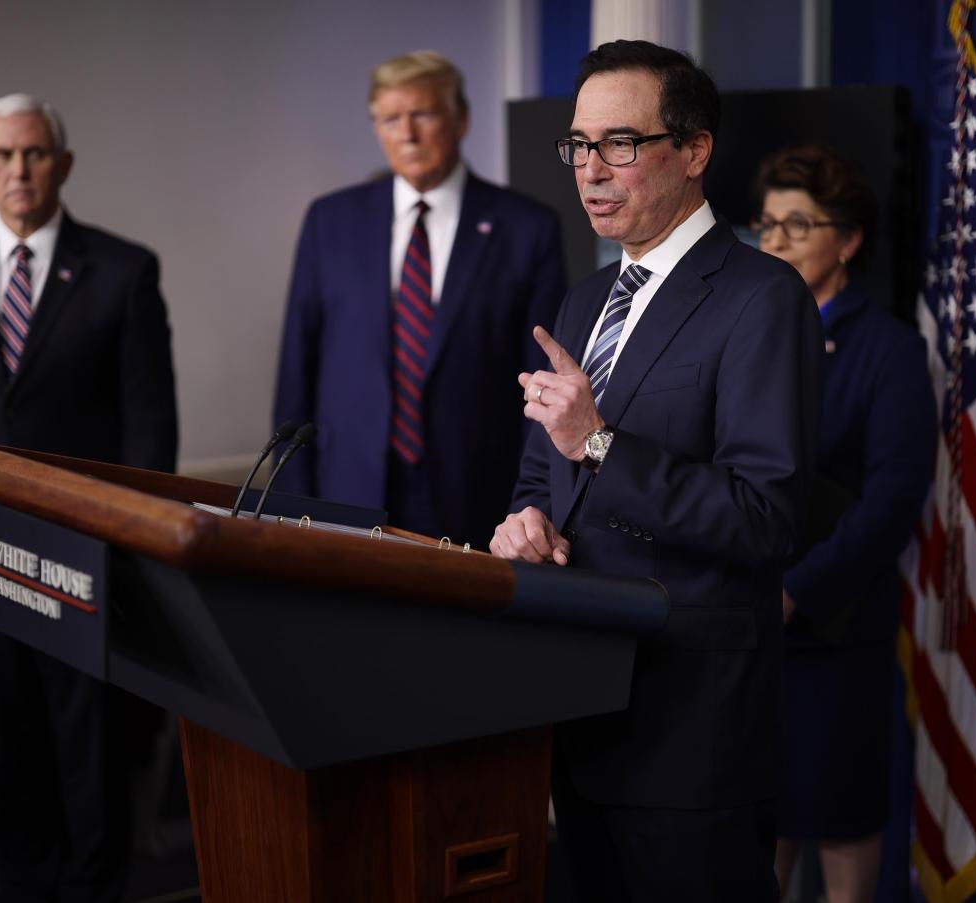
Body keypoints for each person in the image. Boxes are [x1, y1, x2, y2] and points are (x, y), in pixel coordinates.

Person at [489, 40, 823, 901]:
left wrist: (601, 442)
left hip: (691, 732)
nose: (591, 170)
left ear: (695, 150)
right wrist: (524, 525)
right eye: (578, 145)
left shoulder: (761, 295)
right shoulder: (584, 299)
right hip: (580, 707)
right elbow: (546, 474)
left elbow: (766, 518)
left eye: (620, 145)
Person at [0, 93, 178, 903]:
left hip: (85, 554)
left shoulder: (124, 270)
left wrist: (138, 541)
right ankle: (26, 884)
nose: (21, 170)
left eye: (36, 153)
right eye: (5, 156)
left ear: (64, 164)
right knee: (3, 736)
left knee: (88, 738)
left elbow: (149, 426)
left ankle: (93, 887)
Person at [273, 50, 566, 547]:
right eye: (390, 119)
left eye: (423, 115)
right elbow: (297, 369)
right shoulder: (331, 221)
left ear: (460, 119)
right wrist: (289, 502)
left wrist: (530, 506)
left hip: (477, 497)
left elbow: (541, 380)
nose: (406, 133)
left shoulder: (526, 228)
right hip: (347, 489)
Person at [753, 144, 936, 903]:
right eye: (766, 225)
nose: (777, 241)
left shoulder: (887, 348)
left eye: (800, 224)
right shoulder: (746, 330)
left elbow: (894, 497)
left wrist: (800, 590)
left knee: (838, 819)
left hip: (835, 628)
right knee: (757, 827)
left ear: (849, 240)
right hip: (745, 625)